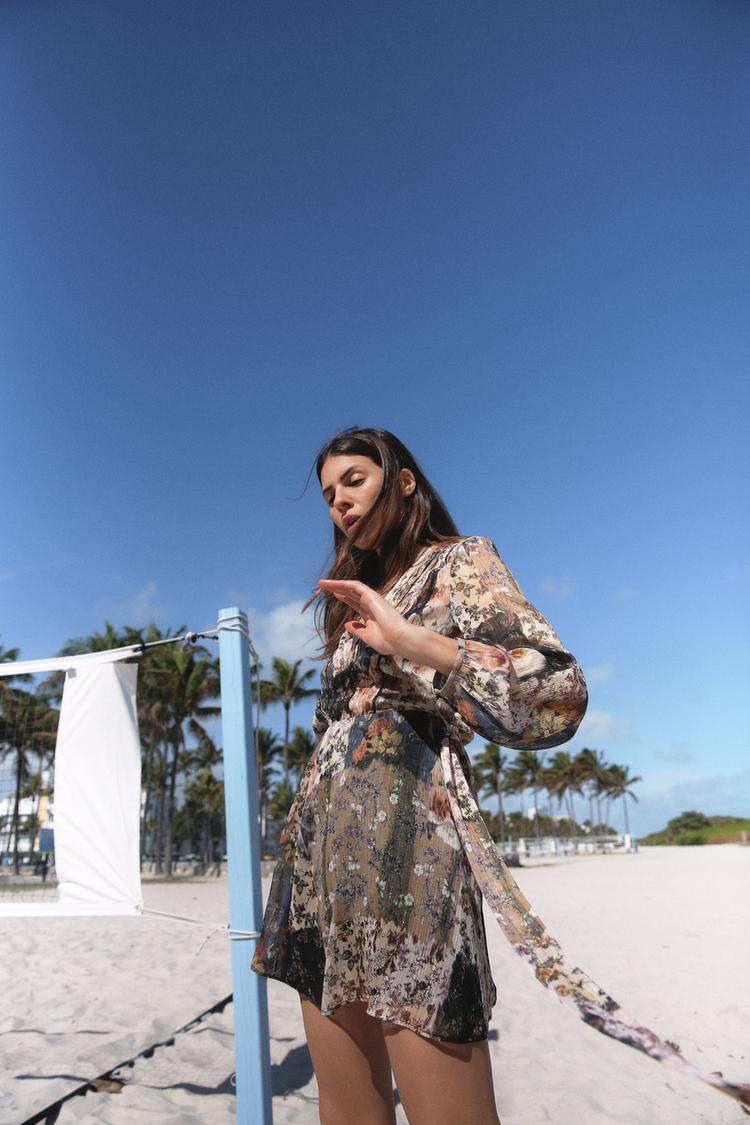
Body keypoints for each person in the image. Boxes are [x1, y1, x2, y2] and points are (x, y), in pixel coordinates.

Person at [251, 426, 750, 1122]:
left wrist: (413, 642)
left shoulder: (460, 560)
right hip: (321, 854)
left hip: (409, 850)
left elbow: (557, 693)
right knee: (346, 1108)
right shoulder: (353, 599)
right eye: (330, 494)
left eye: (355, 480)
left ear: (403, 481)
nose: (339, 501)